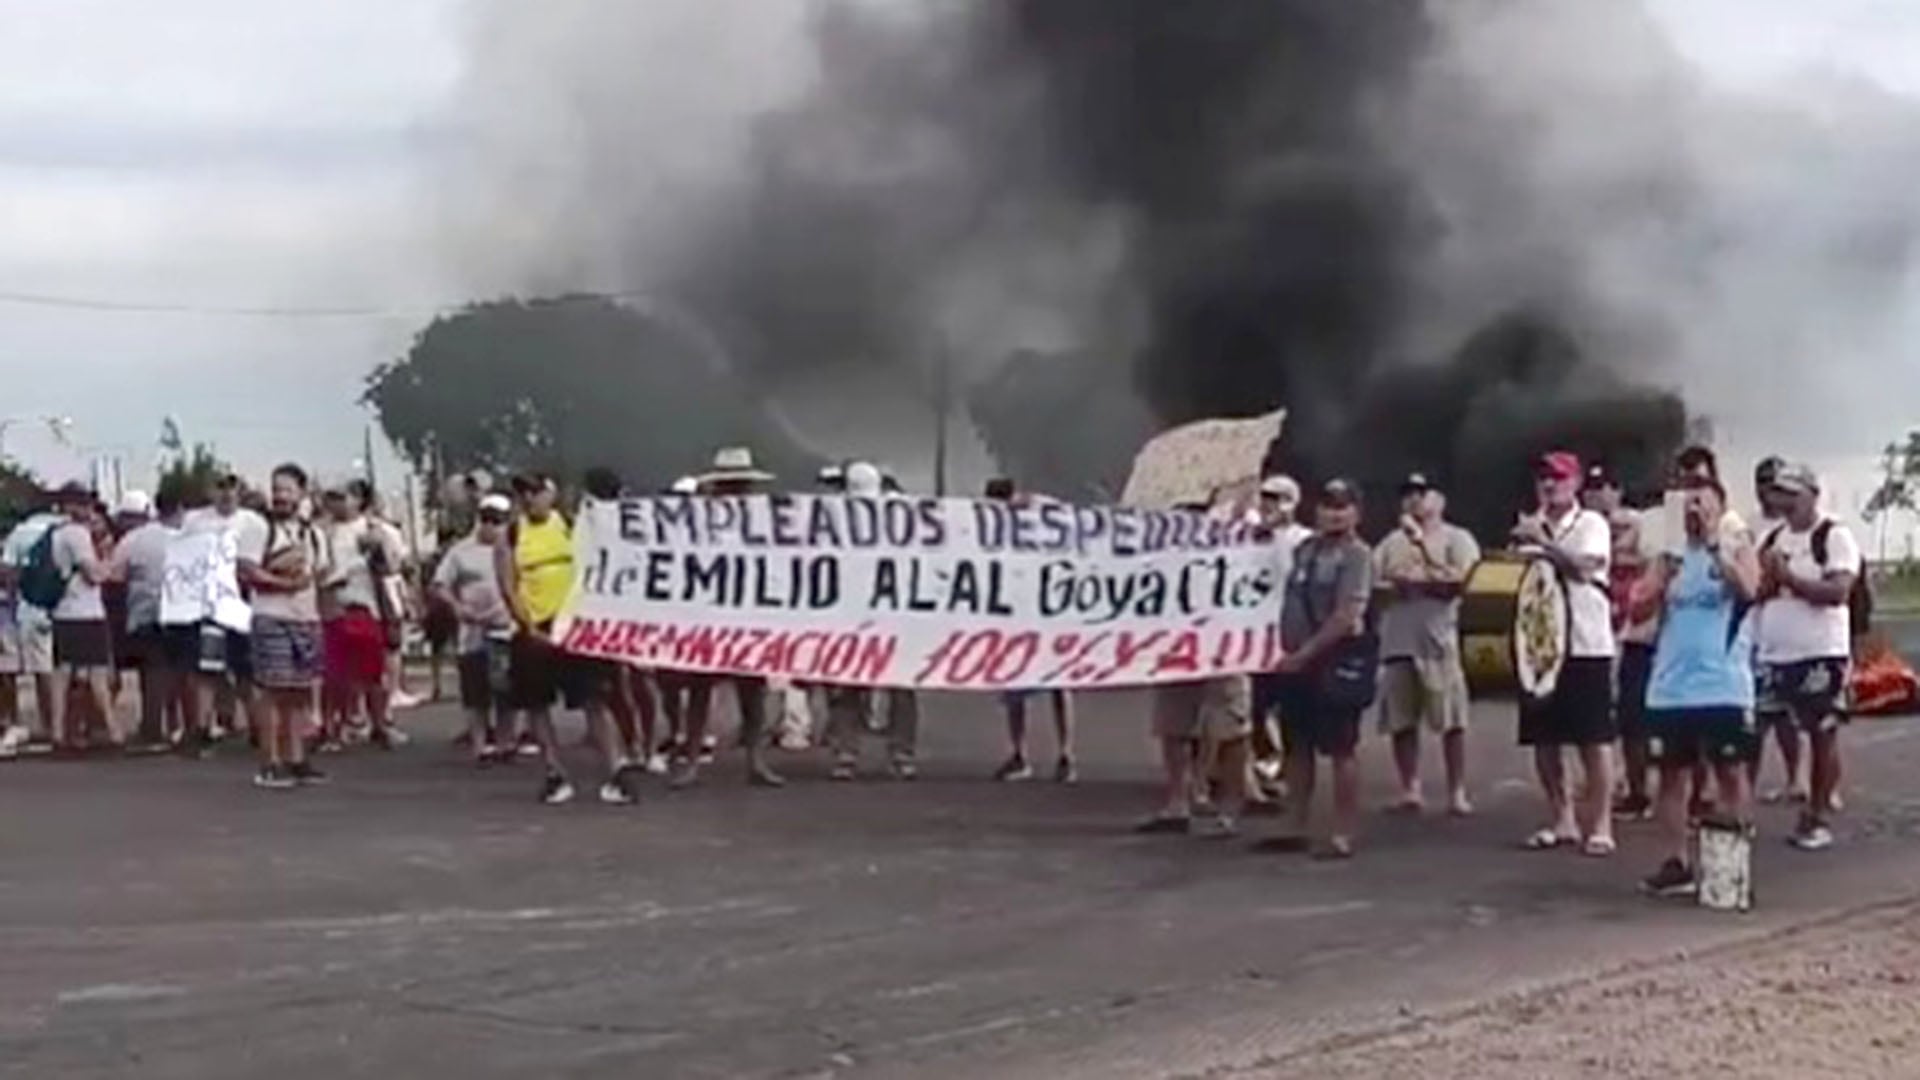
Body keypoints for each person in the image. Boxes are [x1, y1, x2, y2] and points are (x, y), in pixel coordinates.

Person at [1634, 476, 1762, 896]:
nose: (1694, 512)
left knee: (1729, 771)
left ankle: (1730, 861)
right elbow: (1637, 609)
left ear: (1719, 509)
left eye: (1702, 504)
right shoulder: (1667, 557)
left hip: (1723, 685)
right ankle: (1677, 861)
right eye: (1686, 505)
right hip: (1672, 686)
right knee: (1672, 776)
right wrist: (1660, 579)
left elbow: (1749, 589)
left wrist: (1716, 551)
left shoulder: (1736, 549)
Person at [496, 472, 635, 805]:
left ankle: (616, 770)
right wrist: (529, 628)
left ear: (550, 493)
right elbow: (508, 585)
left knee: (595, 702)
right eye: (522, 494)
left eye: (535, 491)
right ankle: (554, 772)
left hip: (576, 626)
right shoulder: (511, 535)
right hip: (535, 630)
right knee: (537, 706)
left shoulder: (573, 526)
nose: (529, 499)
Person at [1512, 451, 1618, 858]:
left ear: (1574, 484)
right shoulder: (1528, 525)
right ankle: (1562, 818)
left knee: (1593, 738)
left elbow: (1583, 568)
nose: (1549, 484)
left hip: (1586, 643)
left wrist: (1542, 543)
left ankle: (1602, 823)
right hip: (1540, 648)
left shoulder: (1590, 524)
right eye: (1543, 478)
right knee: (1545, 738)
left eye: (1557, 478)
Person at [1263, 478, 1374, 859]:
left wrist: (1306, 652)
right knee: (1297, 746)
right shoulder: (1305, 549)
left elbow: (1347, 614)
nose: (1333, 513)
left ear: (1356, 512)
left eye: (1342, 506)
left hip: (1333, 661)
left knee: (1341, 748)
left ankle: (1343, 830)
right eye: (1327, 505)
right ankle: (1295, 823)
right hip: (1296, 663)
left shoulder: (1357, 555)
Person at [1754, 463, 1860, 852]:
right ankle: (1739, 813)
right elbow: (1756, 590)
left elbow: (1838, 590)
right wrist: (1765, 580)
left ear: (1812, 495)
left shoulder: (1832, 536)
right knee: (1757, 727)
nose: (1784, 502)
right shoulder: (1773, 539)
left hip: (1820, 652)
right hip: (1775, 651)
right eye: (1779, 493)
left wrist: (1790, 580)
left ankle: (1816, 813)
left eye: (1792, 494)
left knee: (1821, 733)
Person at [672, 448, 785, 789]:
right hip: (709, 616)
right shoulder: (699, 520)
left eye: (740, 485)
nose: (736, 491)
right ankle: (692, 759)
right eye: (731, 485)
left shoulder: (764, 520)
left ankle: (755, 759)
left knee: (753, 694)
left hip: (748, 616)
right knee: (700, 692)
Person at [1372, 473, 1480, 816]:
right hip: (1398, 638)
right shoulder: (1389, 543)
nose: (1414, 500)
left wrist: (1421, 554)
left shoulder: (1457, 538)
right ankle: (1410, 788)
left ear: (1440, 499)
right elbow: (1375, 585)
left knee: (1451, 718)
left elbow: (1461, 581)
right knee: (1401, 720)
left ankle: (1457, 791)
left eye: (1422, 493)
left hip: (1438, 639)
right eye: (1408, 494)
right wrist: (1403, 584)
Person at [823, 463, 919, 781]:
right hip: (861, 613)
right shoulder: (836, 522)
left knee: (890, 688)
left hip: (883, 613)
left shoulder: (898, 521)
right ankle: (882, 753)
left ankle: (858, 753)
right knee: (859, 687)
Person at [238, 464, 328, 789]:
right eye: (277, 489)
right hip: (271, 616)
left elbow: (318, 574)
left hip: (305, 618)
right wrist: (282, 582)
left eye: (288, 490)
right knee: (272, 691)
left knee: (299, 692)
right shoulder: (259, 529)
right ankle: (270, 762)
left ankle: (297, 758)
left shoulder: (313, 535)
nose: (280, 496)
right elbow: (247, 571)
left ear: (301, 494)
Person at [983, 477, 1078, 784]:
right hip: (1018, 611)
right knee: (1015, 686)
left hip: (1049, 610)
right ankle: (1020, 753)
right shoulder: (995, 525)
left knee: (1058, 685)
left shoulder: (1043, 511)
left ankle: (1065, 753)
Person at [317, 480, 404, 749]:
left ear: (358, 500)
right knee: (334, 675)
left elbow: (390, 568)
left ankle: (379, 724)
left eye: (342, 497)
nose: (336, 503)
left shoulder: (373, 530)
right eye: (332, 498)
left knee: (372, 673)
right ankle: (333, 728)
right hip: (332, 607)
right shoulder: (322, 531)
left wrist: (376, 551)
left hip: (366, 607)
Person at [183, 472, 269, 743]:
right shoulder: (195, 520)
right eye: (220, 487)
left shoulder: (252, 523)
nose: (226, 493)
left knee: (246, 671)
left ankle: (258, 727)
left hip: (240, 602)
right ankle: (201, 728)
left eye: (231, 488)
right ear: (211, 490)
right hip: (207, 604)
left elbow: (249, 566)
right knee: (206, 669)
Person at [111, 489, 198, 751]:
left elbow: (115, 574)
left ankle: (152, 730)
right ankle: (191, 728)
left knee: (153, 674)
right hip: (183, 613)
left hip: (146, 614)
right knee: (186, 674)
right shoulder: (187, 539)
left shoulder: (134, 540)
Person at [432, 493, 515, 765]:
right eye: (486, 519)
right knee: (475, 692)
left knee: (505, 690)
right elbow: (439, 585)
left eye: (497, 520)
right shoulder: (461, 551)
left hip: (505, 626)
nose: (491, 526)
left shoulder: (515, 549)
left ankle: (506, 742)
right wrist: (457, 608)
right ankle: (480, 745)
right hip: (472, 630)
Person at [1746, 456, 1808, 804]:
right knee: (1757, 714)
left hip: (1792, 627)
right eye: (1765, 484)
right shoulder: (1749, 525)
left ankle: (1797, 777)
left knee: (1792, 715)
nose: (1769, 492)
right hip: (1757, 626)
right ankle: (1746, 786)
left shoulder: (1797, 528)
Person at [45, 482, 123, 749]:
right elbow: (93, 575)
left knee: (61, 674)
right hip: (86, 613)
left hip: (62, 611)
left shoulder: (56, 533)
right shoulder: (78, 535)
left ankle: (57, 731)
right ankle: (114, 732)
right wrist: (109, 561)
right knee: (98, 675)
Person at [1251, 473, 1313, 804]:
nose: (1269, 505)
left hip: (1291, 633)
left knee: (1289, 707)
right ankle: (1265, 766)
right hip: (1254, 635)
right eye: (1265, 498)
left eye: (1276, 498)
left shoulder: (1304, 540)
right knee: (1256, 705)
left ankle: (1289, 770)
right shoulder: (1249, 537)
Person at [0, 496, 63, 756]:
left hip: (24, 609)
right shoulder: (64, 528)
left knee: (18, 668)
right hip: (63, 608)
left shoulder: (20, 533)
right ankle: (56, 724)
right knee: (54, 668)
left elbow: (8, 572)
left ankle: (15, 722)